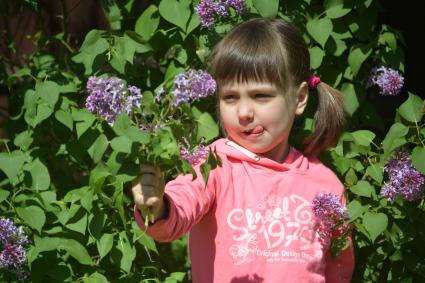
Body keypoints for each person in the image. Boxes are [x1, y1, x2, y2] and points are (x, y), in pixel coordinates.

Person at [132, 18, 354, 283]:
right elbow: (179, 208)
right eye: (230, 97)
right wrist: (157, 208)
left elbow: (339, 264)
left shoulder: (325, 184)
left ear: (299, 98)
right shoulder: (213, 164)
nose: (245, 113)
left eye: (261, 96)